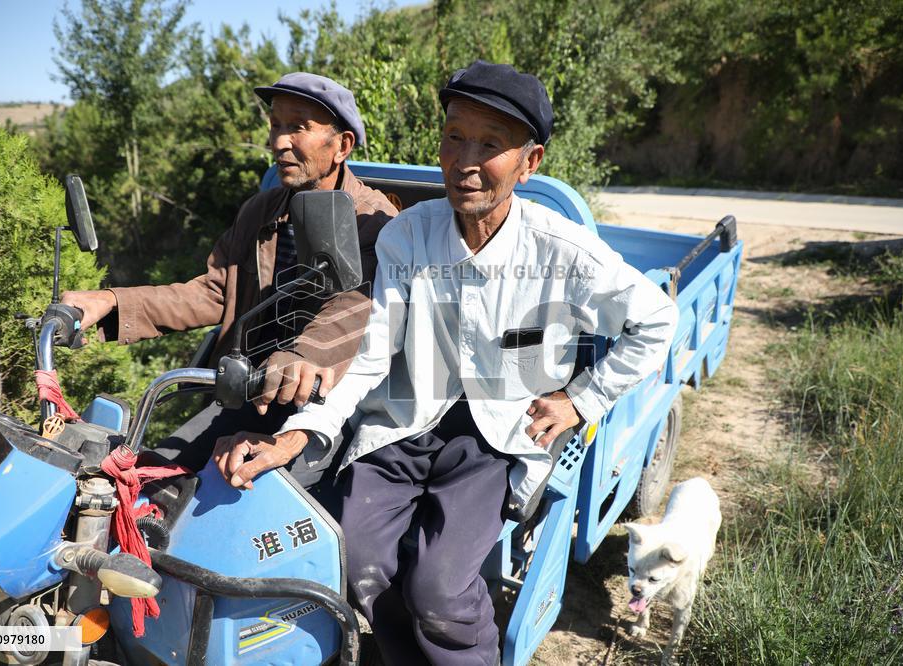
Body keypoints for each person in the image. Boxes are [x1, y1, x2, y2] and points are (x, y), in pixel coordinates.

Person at [216, 61, 679, 663]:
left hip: (494, 439)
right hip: (404, 424)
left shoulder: (563, 251)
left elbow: (657, 321)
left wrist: (580, 400)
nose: (466, 160)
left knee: (439, 591)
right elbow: (371, 354)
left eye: (491, 144)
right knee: (357, 562)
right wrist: (297, 436)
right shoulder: (408, 236)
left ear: (529, 162)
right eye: (455, 136)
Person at [61, 73, 398, 485]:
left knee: (231, 509)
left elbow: (352, 310)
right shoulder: (262, 211)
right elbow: (215, 291)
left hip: (331, 409)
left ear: (342, 145)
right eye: (275, 125)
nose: (279, 142)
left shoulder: (373, 221)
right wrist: (112, 302)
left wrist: (304, 358)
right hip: (253, 392)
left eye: (298, 127)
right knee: (149, 477)